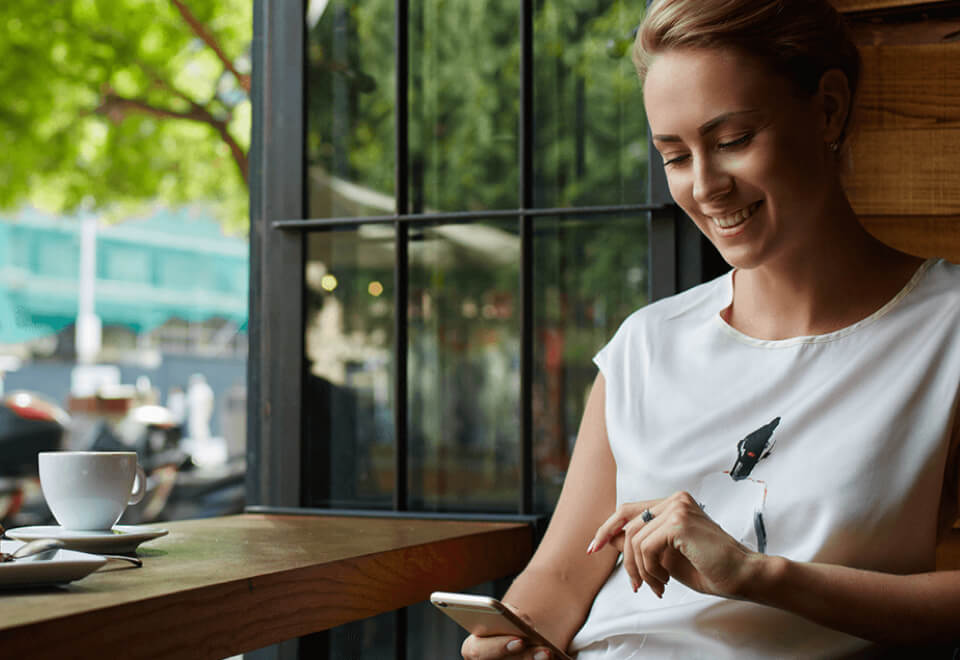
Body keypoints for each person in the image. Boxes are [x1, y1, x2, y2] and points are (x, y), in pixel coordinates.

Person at [462, 0, 960, 658]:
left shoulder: (944, 329)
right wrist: (509, 637)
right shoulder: (645, 345)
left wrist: (760, 576)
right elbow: (558, 579)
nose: (705, 187)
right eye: (674, 156)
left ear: (829, 108)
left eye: (732, 141)